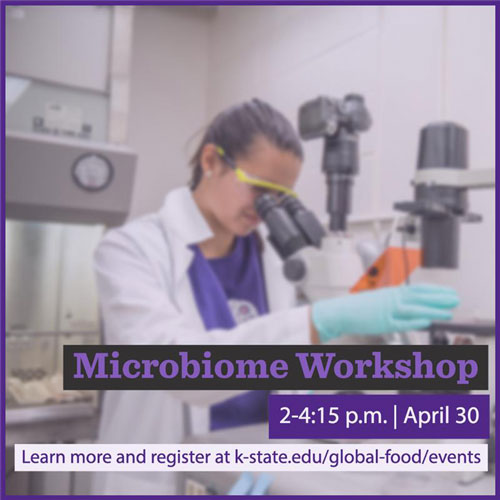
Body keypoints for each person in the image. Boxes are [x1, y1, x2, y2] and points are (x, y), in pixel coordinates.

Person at [91, 99, 458, 495]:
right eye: (259, 190)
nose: (266, 210)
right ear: (211, 161)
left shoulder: (277, 256)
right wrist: (318, 321)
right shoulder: (129, 250)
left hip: (256, 474)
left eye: (280, 198)